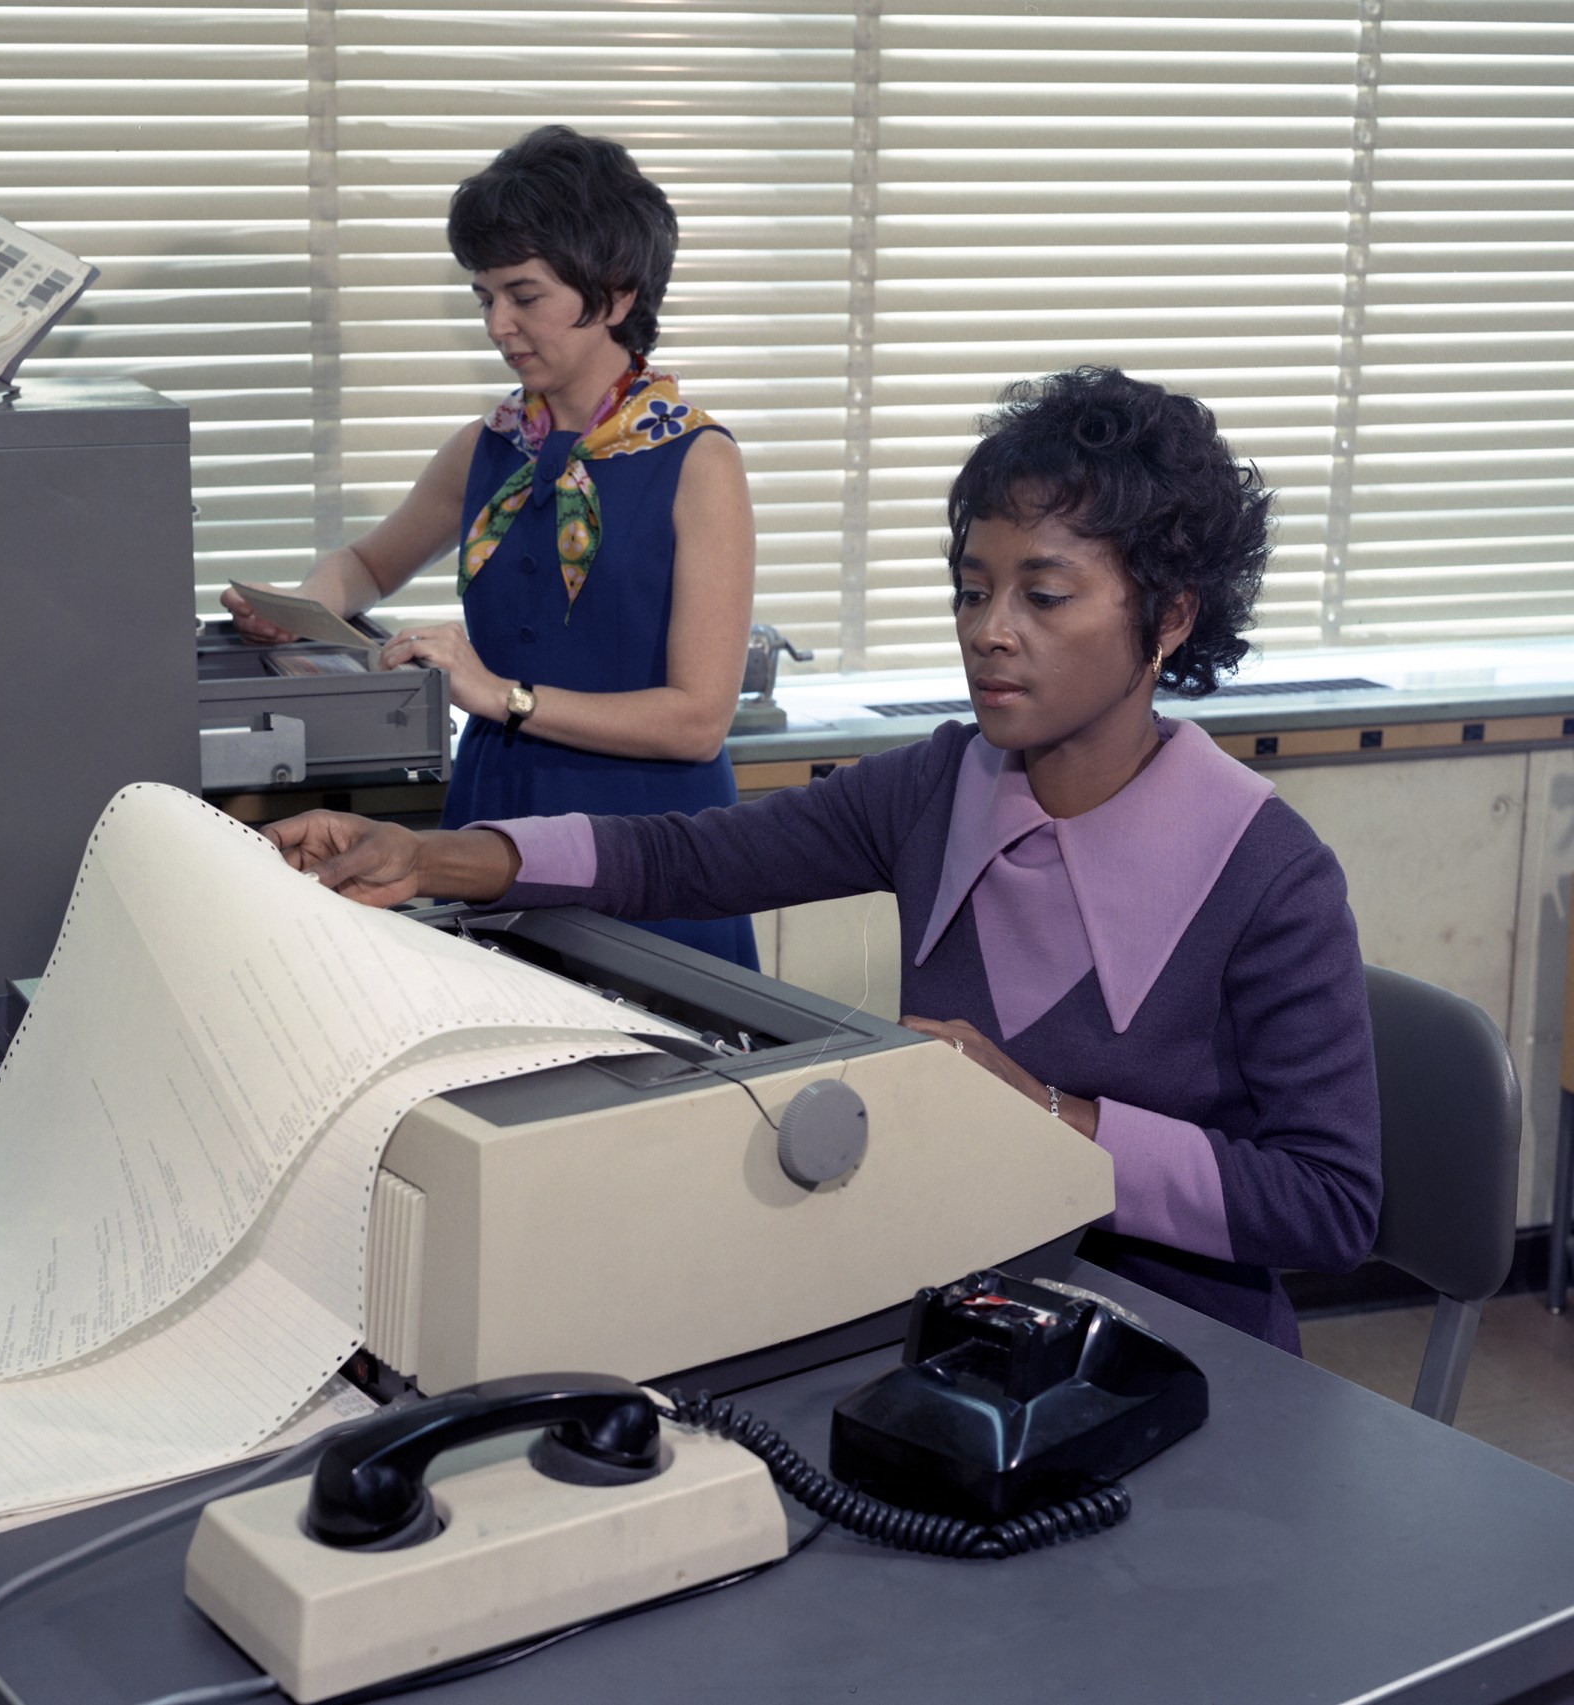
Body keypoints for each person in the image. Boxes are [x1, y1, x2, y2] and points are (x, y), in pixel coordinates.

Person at [260, 367, 1383, 1354]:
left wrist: (1042, 1112)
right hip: (963, 1308)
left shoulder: (1267, 874)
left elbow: (1329, 1206)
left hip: (1181, 1357)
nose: (989, 629)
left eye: (1041, 595)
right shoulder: (938, 785)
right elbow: (683, 861)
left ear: (1171, 618)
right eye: (970, 588)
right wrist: (427, 855)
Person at [221, 126, 758, 967]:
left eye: (523, 295)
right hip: (495, 813)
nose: (498, 324)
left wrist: (500, 693)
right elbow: (366, 565)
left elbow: (698, 720)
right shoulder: (489, 445)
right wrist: (298, 609)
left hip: (651, 839)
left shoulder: (698, 461)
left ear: (615, 293)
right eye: (483, 298)